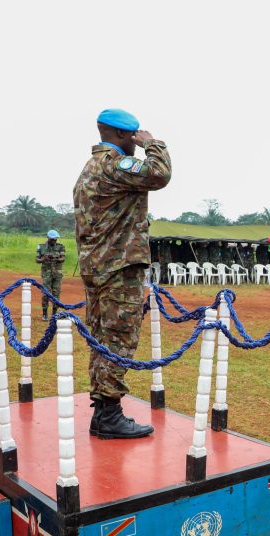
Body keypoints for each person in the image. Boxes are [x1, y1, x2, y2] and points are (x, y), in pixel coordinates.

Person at [74, 108, 171, 439]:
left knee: (103, 338)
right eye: (133, 136)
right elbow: (159, 175)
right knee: (119, 338)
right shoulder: (114, 165)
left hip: (98, 267)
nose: (136, 140)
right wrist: (153, 144)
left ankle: (104, 412)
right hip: (118, 268)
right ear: (119, 136)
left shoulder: (90, 168)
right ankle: (109, 414)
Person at [36, 229, 67, 320]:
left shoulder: (60, 247)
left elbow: (63, 258)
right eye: (52, 239)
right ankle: (45, 314)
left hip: (57, 274)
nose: (54, 241)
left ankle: (54, 313)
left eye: (55, 239)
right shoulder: (41, 247)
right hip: (46, 274)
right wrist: (43, 259)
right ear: (48, 238)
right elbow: (37, 260)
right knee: (46, 293)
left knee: (56, 293)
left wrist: (57, 258)